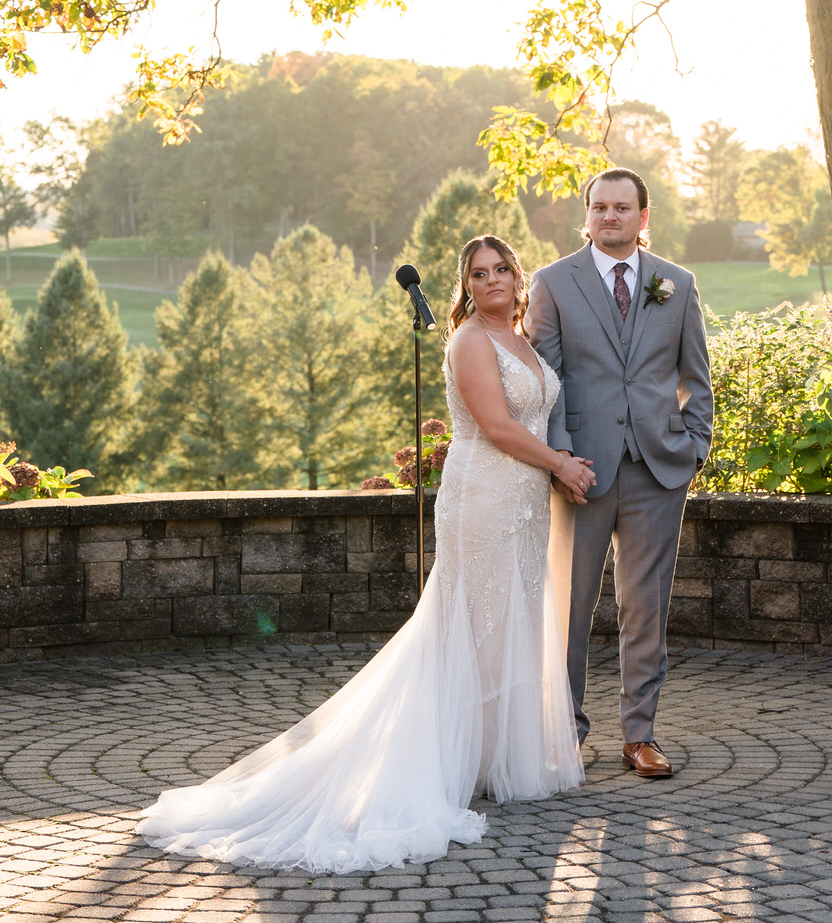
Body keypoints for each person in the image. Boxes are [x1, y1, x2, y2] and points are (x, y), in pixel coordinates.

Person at [137, 235, 590, 874]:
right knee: (476, 623)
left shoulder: (524, 340)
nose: (493, 280)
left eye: (502, 269)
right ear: (466, 284)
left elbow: (537, 414)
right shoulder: (467, 341)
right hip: (483, 496)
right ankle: (449, 762)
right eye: (479, 273)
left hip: (523, 504)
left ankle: (497, 759)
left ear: (519, 277)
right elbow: (496, 426)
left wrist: (550, 470)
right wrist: (562, 465)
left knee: (514, 618)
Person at [524, 168, 713, 778]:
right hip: (581, 469)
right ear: (586, 215)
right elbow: (543, 383)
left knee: (646, 608)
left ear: (642, 217)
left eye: (622, 208)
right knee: (570, 609)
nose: (610, 217)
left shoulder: (676, 284)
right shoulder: (553, 283)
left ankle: (640, 735)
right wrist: (559, 459)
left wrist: (694, 446)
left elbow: (696, 377)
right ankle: (566, 734)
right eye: (600, 207)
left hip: (658, 470)